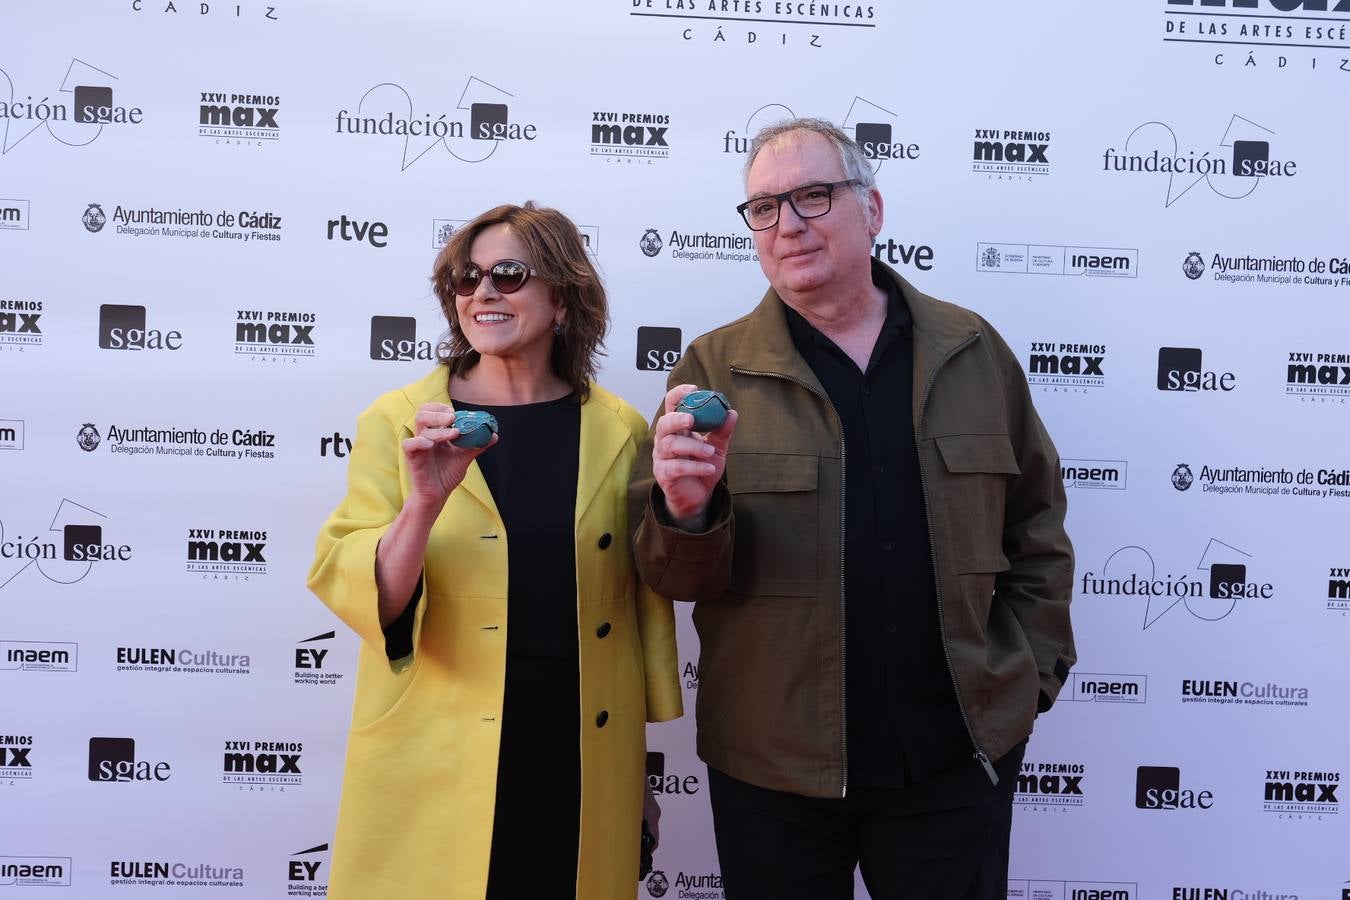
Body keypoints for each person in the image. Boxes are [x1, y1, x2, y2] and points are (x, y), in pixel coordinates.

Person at [629, 119, 1075, 899]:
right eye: (764, 207)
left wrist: (1027, 682)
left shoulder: (972, 351)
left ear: (872, 210)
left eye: (812, 196)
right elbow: (672, 576)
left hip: (953, 761)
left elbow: (1036, 530)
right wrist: (689, 515)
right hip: (775, 774)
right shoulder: (711, 368)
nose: (789, 225)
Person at [309, 202, 682, 900]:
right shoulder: (400, 422)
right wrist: (423, 502)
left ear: (563, 297)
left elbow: (641, 602)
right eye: (465, 276)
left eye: (509, 274)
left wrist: (638, 775)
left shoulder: (620, 429)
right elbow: (374, 604)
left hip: (577, 743)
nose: (482, 291)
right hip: (438, 740)